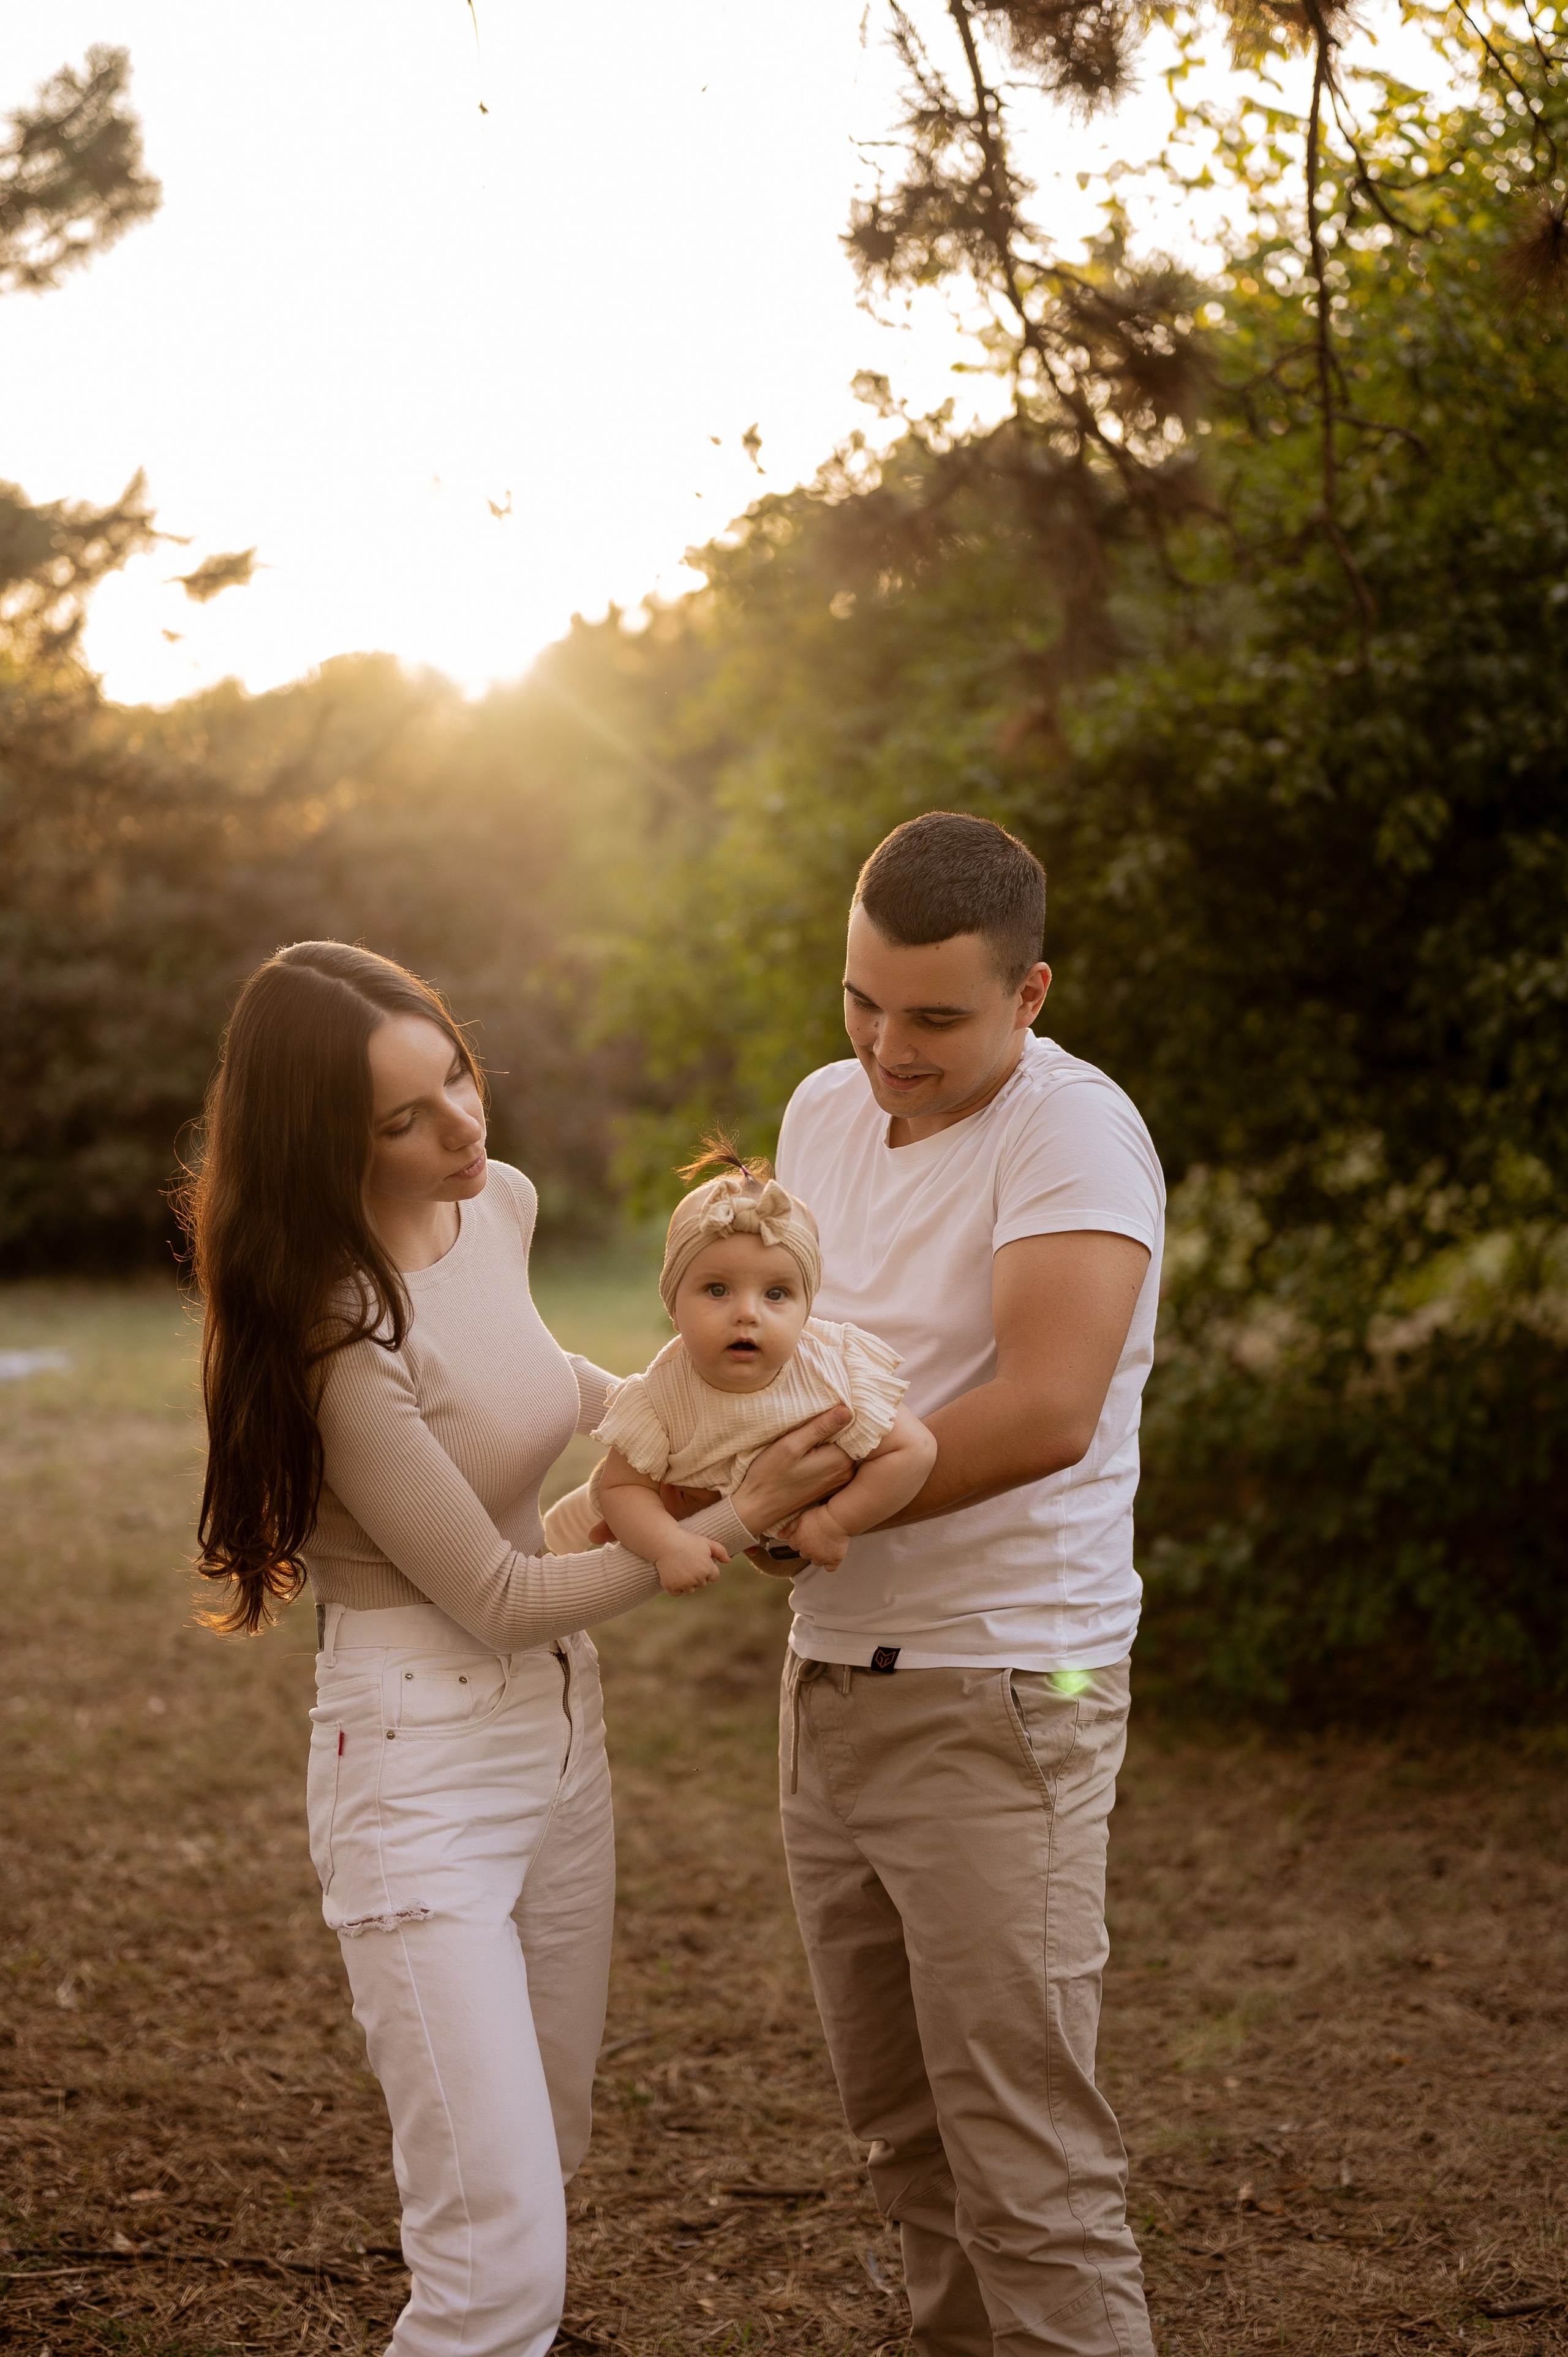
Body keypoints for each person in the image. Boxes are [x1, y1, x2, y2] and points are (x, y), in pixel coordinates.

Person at [178, 940, 851, 2357]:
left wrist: (737, 1424)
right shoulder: (332, 1324)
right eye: (406, 1119)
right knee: (493, 2277)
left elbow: (571, 1395)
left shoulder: (498, 1207)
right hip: (418, 1763)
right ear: (324, 1144)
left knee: (546, 2151)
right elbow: (493, 1587)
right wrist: (739, 1507)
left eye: (457, 1076)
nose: (462, 1126)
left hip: (558, 1736)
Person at [772, 812, 1166, 2357]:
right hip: (829, 1674)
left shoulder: (1069, 1131)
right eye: (861, 998)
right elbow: (812, 1357)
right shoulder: (823, 1108)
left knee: (1026, 2167)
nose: (886, 1045)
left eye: (933, 1015)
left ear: (1029, 993)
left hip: (1011, 1686)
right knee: (902, 2140)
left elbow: (1045, 1403)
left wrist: (810, 1499)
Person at [543, 1145, 936, 1588]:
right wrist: (669, 1544)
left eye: (776, 1294)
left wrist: (834, 1523)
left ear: (807, 1312)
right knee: (603, 1499)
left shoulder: (832, 1369)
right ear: (673, 1308)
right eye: (716, 1290)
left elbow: (912, 1451)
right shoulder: (659, 1398)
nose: (747, 1313)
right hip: (683, 1487)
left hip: (792, 1532)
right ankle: (554, 1536)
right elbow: (624, 1489)